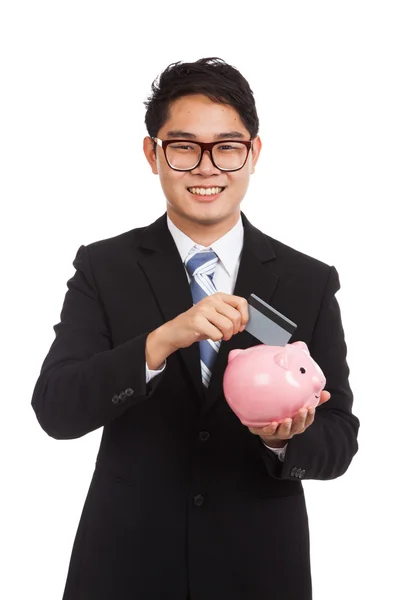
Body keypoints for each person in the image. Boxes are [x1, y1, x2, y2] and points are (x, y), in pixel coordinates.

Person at [31, 57, 359, 600]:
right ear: (152, 154)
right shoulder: (104, 268)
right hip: (125, 566)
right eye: (183, 147)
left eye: (227, 147)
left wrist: (286, 442)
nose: (207, 168)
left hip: (257, 568)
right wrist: (160, 342)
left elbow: (340, 438)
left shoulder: (308, 281)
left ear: (253, 153)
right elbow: (56, 409)